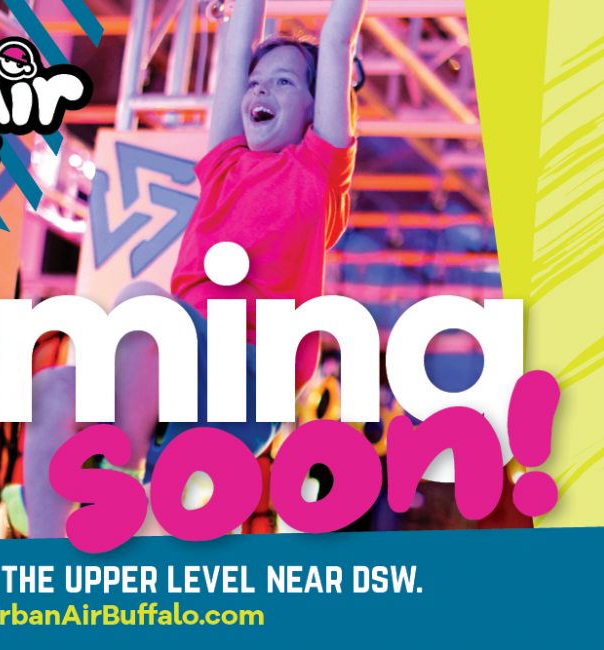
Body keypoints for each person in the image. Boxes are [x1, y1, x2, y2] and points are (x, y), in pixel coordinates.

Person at [23, 0, 367, 538]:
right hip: (173, 371)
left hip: (245, 378)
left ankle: (121, 481)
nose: (260, 91)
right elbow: (234, 51)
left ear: (316, 104)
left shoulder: (317, 173)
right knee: (53, 392)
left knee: (143, 304)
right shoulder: (226, 161)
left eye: (282, 83)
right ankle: (50, 559)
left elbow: (339, 37)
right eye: (255, 83)